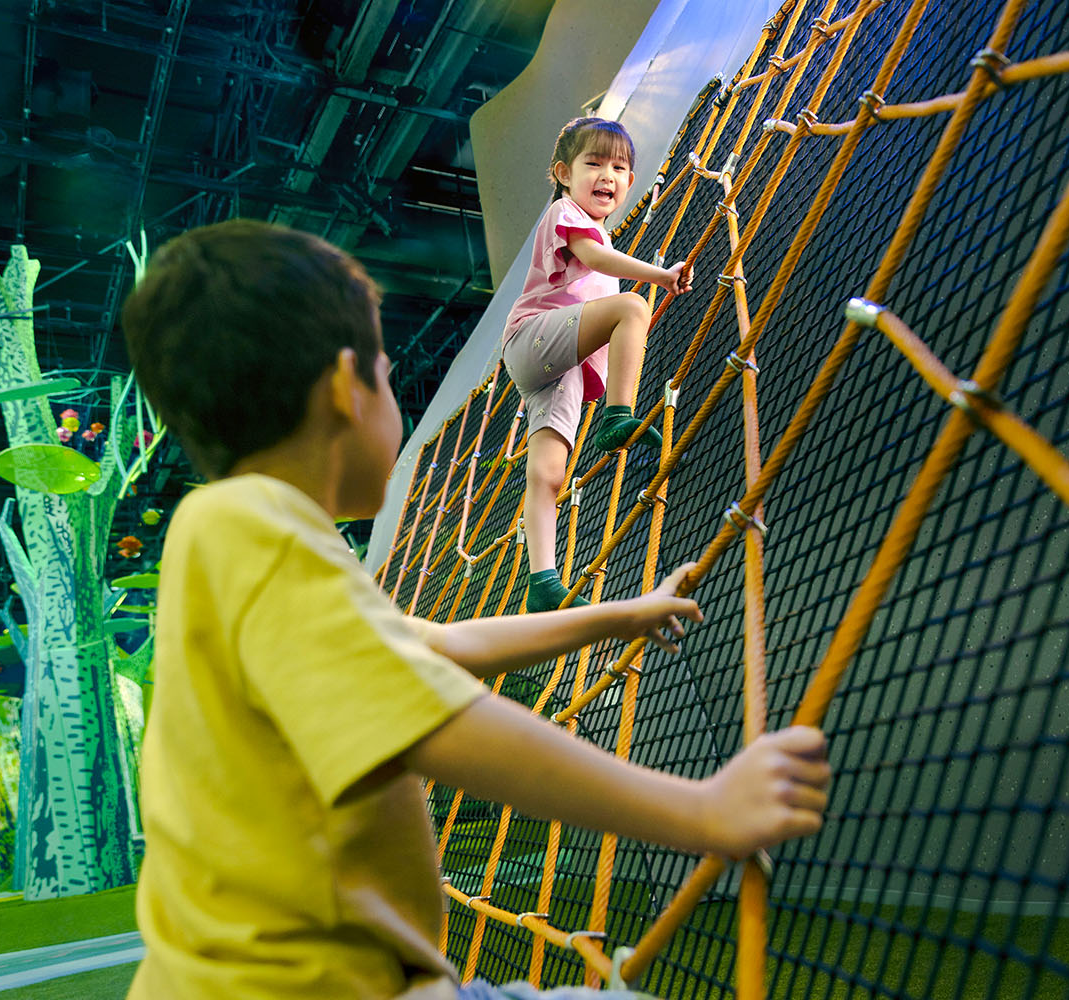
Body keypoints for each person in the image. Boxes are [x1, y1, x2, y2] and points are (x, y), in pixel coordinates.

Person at [120, 219, 828, 999]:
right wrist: (703, 811)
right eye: (388, 376)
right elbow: (446, 724)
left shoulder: (240, 546)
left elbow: (448, 644)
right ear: (346, 387)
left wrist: (622, 614)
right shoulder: (245, 525)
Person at [502, 117, 694, 614]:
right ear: (564, 174)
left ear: (629, 181)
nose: (608, 175)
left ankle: (542, 581)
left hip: (557, 364)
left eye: (619, 167)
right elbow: (593, 256)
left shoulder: (599, 234)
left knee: (548, 475)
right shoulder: (565, 213)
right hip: (533, 338)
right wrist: (661, 275)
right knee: (633, 308)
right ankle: (616, 415)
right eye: (594, 163)